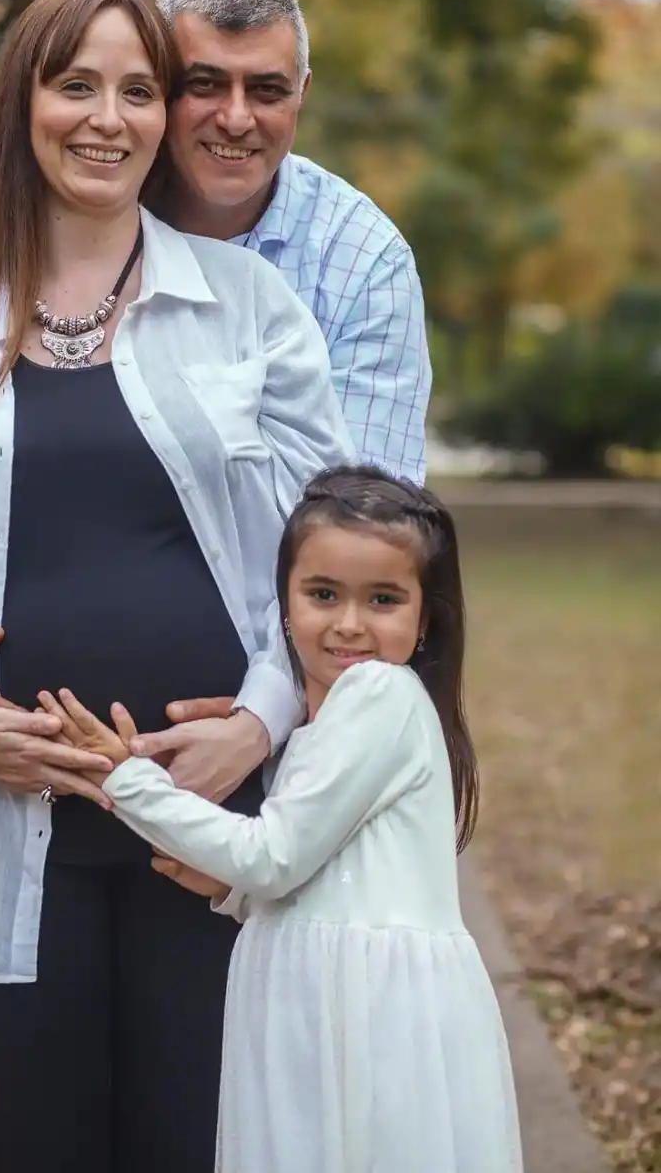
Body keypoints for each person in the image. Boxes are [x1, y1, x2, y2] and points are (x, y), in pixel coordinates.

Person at [0, 0, 355, 1173]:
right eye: (76, 84)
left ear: (161, 121)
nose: (108, 117)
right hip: (11, 829)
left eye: (139, 90)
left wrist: (258, 725)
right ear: (22, 104)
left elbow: (335, 566)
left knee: (188, 1148)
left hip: (209, 829)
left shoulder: (248, 309)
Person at [0, 0, 432, 802]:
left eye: (269, 90)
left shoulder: (356, 262)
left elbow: (373, 545)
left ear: (304, 94)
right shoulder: (31, 243)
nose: (236, 118)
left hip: (283, 755)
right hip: (26, 784)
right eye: (202, 84)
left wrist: (263, 723)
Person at [41, 465, 524, 1173]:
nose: (349, 622)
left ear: (425, 618)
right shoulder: (324, 723)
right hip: (321, 1000)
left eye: (383, 599)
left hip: (368, 1012)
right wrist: (230, 891)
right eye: (323, 593)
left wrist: (127, 776)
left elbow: (272, 854)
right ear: (286, 605)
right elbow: (326, 867)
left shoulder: (379, 695)